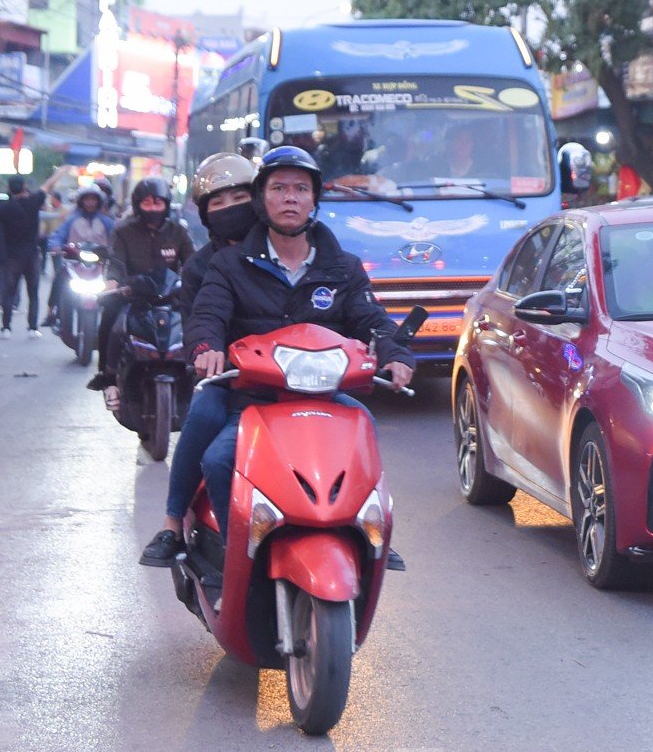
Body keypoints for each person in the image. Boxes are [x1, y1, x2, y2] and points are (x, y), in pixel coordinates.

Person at [141, 146, 414, 559]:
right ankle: (227, 551)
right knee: (215, 454)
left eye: (301, 189)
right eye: (280, 188)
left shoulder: (343, 267)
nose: (290, 197)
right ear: (262, 200)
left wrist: (394, 355)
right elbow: (207, 315)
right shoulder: (225, 265)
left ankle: (366, 530)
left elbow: (370, 318)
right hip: (247, 390)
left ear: (314, 200)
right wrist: (206, 348)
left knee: (364, 424)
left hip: (318, 393)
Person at [137, 152, 262, 565]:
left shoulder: (289, 246)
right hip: (227, 376)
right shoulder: (202, 267)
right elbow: (198, 323)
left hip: (294, 374)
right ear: (205, 214)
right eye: (218, 203)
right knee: (206, 416)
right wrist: (207, 351)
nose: (230, 210)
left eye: (239, 197)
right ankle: (173, 522)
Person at [87, 176, 195, 409]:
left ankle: (198, 378)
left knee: (198, 322)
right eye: (147, 203)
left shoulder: (178, 231)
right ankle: (108, 379)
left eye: (158, 203)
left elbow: (192, 264)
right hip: (132, 295)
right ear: (138, 205)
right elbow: (115, 264)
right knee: (110, 321)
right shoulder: (123, 232)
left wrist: (196, 284)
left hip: (171, 296)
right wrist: (113, 285)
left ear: (166, 205)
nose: (153, 208)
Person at [0, 173, 57, 336]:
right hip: (32, 254)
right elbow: (47, 185)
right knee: (33, 293)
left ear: (8, 189)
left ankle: (6, 327)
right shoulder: (33, 202)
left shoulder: (4, 208)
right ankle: (33, 328)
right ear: (24, 186)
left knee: (9, 292)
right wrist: (61, 171)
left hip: (12, 256)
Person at [44, 182, 115, 327]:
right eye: (87, 199)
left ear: (99, 201)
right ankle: (52, 312)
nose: (90, 203)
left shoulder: (107, 221)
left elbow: (117, 238)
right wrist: (55, 246)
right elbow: (58, 235)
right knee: (59, 279)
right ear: (81, 201)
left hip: (101, 264)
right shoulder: (71, 220)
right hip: (74, 263)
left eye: (93, 199)